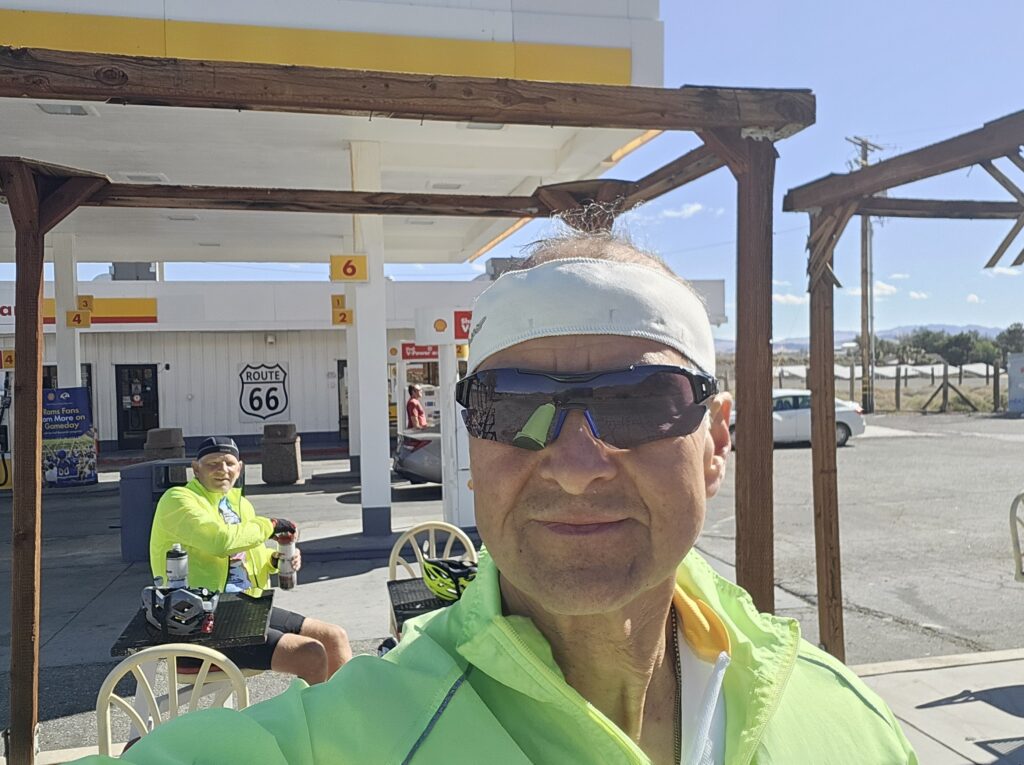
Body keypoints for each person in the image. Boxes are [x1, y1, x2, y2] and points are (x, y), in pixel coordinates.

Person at [77, 234, 916, 764]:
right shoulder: (335, 741)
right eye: (514, 407)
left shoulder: (849, 726)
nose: (578, 464)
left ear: (717, 441)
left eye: (638, 402)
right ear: (474, 446)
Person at [148, 436, 351, 684]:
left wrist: (274, 560)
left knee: (334, 637)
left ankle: (341, 708)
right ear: (196, 469)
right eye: (213, 464)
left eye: (229, 463)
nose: (222, 470)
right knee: (310, 654)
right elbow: (221, 542)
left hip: (243, 607)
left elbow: (245, 557)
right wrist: (270, 525)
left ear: (240, 468)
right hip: (197, 619)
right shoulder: (178, 499)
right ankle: (311, 711)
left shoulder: (239, 504)